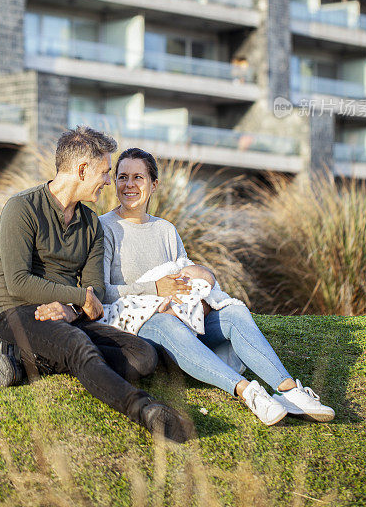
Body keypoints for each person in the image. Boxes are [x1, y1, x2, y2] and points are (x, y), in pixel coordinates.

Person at [100, 147, 335, 426]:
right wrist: (155, 289)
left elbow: (186, 277)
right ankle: (248, 392)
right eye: (122, 177)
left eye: (138, 177)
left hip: (183, 316)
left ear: (154, 185)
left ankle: (289, 391)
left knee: (234, 314)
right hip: (141, 325)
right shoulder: (104, 228)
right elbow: (102, 291)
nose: (129, 185)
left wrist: (195, 298)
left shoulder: (166, 231)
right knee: (167, 324)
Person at [0, 127, 193, 443]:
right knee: (78, 346)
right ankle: (146, 411)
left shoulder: (91, 222)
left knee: (143, 356)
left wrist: (71, 307)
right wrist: (76, 297)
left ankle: (27, 359)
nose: (109, 181)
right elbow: (18, 283)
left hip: (70, 314)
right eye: (105, 172)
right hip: (16, 312)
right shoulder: (22, 208)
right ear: (83, 170)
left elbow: (95, 288)